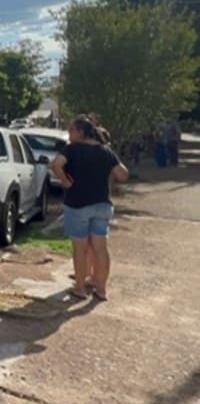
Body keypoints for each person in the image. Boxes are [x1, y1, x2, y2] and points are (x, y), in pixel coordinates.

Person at [51, 115, 129, 302]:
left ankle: (80, 287)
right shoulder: (105, 151)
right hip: (102, 204)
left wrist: (65, 181)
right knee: (100, 248)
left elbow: (56, 165)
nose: (68, 133)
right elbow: (123, 174)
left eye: (71, 129)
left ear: (80, 132)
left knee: (80, 248)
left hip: (78, 204)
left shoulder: (72, 149)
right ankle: (100, 289)